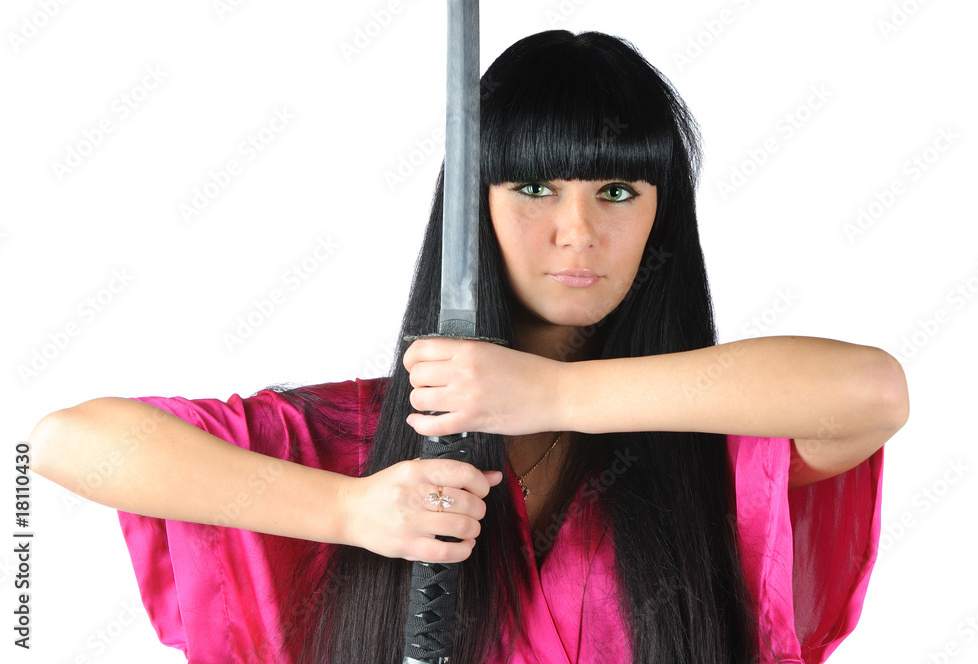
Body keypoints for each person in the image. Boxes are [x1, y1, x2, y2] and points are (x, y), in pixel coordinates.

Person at [29, 30, 908, 664]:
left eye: (616, 190)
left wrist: (553, 396)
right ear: (473, 207)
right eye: (532, 187)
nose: (577, 232)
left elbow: (872, 393)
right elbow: (70, 441)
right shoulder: (365, 432)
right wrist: (350, 513)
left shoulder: (708, 440)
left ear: (660, 215)